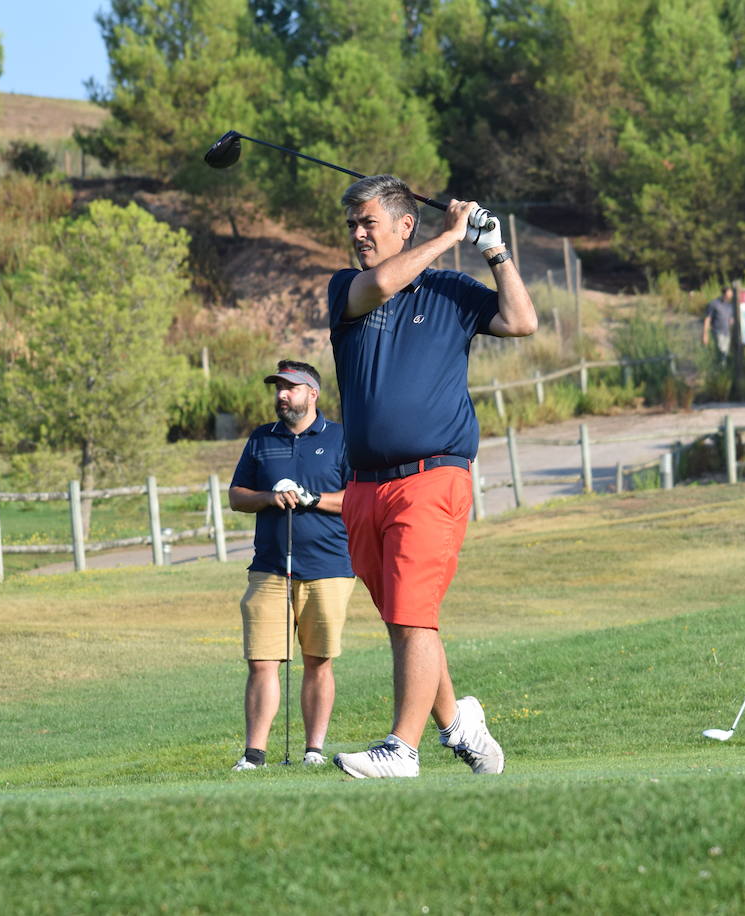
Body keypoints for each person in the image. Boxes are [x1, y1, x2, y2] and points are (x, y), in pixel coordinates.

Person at [325, 175, 537, 778]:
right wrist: (452, 234)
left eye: (369, 223)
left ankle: (403, 749)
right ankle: (459, 724)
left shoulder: (450, 291)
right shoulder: (348, 288)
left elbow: (522, 322)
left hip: (433, 477)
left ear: (404, 224)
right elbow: (385, 283)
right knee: (402, 617)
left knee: (415, 612)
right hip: (364, 487)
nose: (359, 235)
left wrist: (493, 249)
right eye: (353, 226)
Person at [227, 360, 355, 770]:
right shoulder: (262, 439)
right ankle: (254, 755)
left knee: (318, 660)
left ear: (312, 393)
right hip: (268, 568)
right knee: (262, 661)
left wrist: (313, 498)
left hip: (329, 567)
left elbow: (357, 499)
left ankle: (313, 751)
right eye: (278, 387)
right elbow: (237, 496)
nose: (282, 395)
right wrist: (268, 497)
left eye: (291, 388)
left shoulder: (341, 438)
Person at [702, 285, 734, 362]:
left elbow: (731, 319)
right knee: (722, 351)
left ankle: (722, 369)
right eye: (729, 293)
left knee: (725, 352)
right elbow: (707, 319)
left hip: (727, 332)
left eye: (731, 293)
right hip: (717, 332)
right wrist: (705, 334)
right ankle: (721, 369)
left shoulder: (730, 305)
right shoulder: (714, 304)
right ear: (724, 293)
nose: (731, 295)